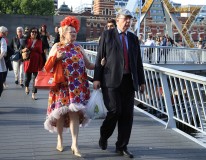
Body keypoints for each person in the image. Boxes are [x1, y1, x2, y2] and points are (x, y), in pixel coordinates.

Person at [93, 8, 145, 158]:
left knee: (127, 115)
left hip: (129, 81)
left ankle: (122, 146)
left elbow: (138, 63)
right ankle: (104, 136)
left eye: (130, 19)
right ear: (118, 20)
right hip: (110, 80)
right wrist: (97, 78)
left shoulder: (133, 39)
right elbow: (99, 58)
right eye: (126, 18)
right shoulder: (107, 35)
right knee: (115, 111)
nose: (128, 21)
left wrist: (141, 81)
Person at [43, 16, 94, 157]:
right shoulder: (57, 47)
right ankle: (60, 139)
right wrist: (56, 58)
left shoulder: (78, 47)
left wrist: (102, 64)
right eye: (71, 32)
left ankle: (75, 144)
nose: (74, 34)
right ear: (63, 33)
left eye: (75, 32)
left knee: (74, 115)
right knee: (60, 115)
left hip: (77, 87)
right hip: (61, 87)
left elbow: (89, 65)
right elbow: (46, 67)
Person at [22, 27, 44, 100]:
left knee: (35, 79)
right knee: (27, 78)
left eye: (35, 32)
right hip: (28, 61)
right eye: (32, 32)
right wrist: (23, 50)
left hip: (37, 61)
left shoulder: (40, 41)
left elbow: (41, 51)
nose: (34, 33)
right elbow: (20, 50)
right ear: (30, 33)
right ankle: (27, 86)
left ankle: (34, 94)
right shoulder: (26, 40)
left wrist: (44, 63)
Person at [0, 26, 8, 99]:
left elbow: (3, 51)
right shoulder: (2, 40)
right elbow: (3, 52)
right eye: (6, 32)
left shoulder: (2, 40)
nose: (7, 33)